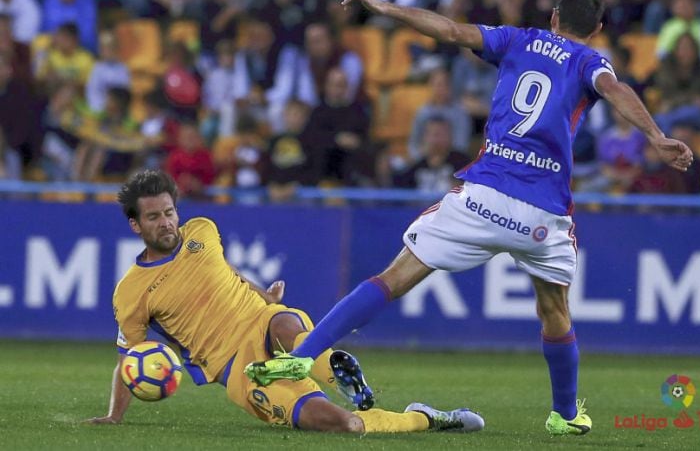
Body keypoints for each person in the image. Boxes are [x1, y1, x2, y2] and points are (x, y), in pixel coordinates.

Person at [250, 0, 694, 436]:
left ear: (555, 17)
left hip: (485, 196)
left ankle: (301, 357)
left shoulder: (517, 39)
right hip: (542, 215)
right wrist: (656, 136)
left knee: (393, 277)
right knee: (555, 310)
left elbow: (448, 30)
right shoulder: (590, 62)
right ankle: (564, 413)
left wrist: (385, 7)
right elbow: (614, 89)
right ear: (597, 29)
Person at [87, 169, 484, 433]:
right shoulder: (131, 291)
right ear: (136, 225)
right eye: (154, 217)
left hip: (260, 319)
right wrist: (114, 415)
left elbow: (227, 273)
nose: (166, 222)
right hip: (236, 369)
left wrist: (265, 296)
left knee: (283, 321)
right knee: (343, 426)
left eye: (170, 212)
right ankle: (423, 419)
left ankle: (333, 369)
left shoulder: (202, 230)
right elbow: (129, 356)